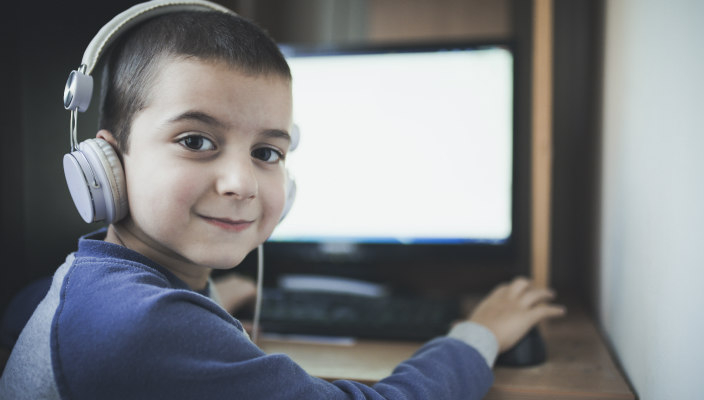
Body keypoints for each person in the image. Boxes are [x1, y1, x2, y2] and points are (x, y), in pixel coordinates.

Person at [0, 2, 565, 399]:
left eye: (268, 153)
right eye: (196, 141)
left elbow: (31, 308)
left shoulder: (89, 283)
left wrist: (214, 309)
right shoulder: (144, 324)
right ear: (108, 166)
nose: (241, 183)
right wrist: (480, 332)